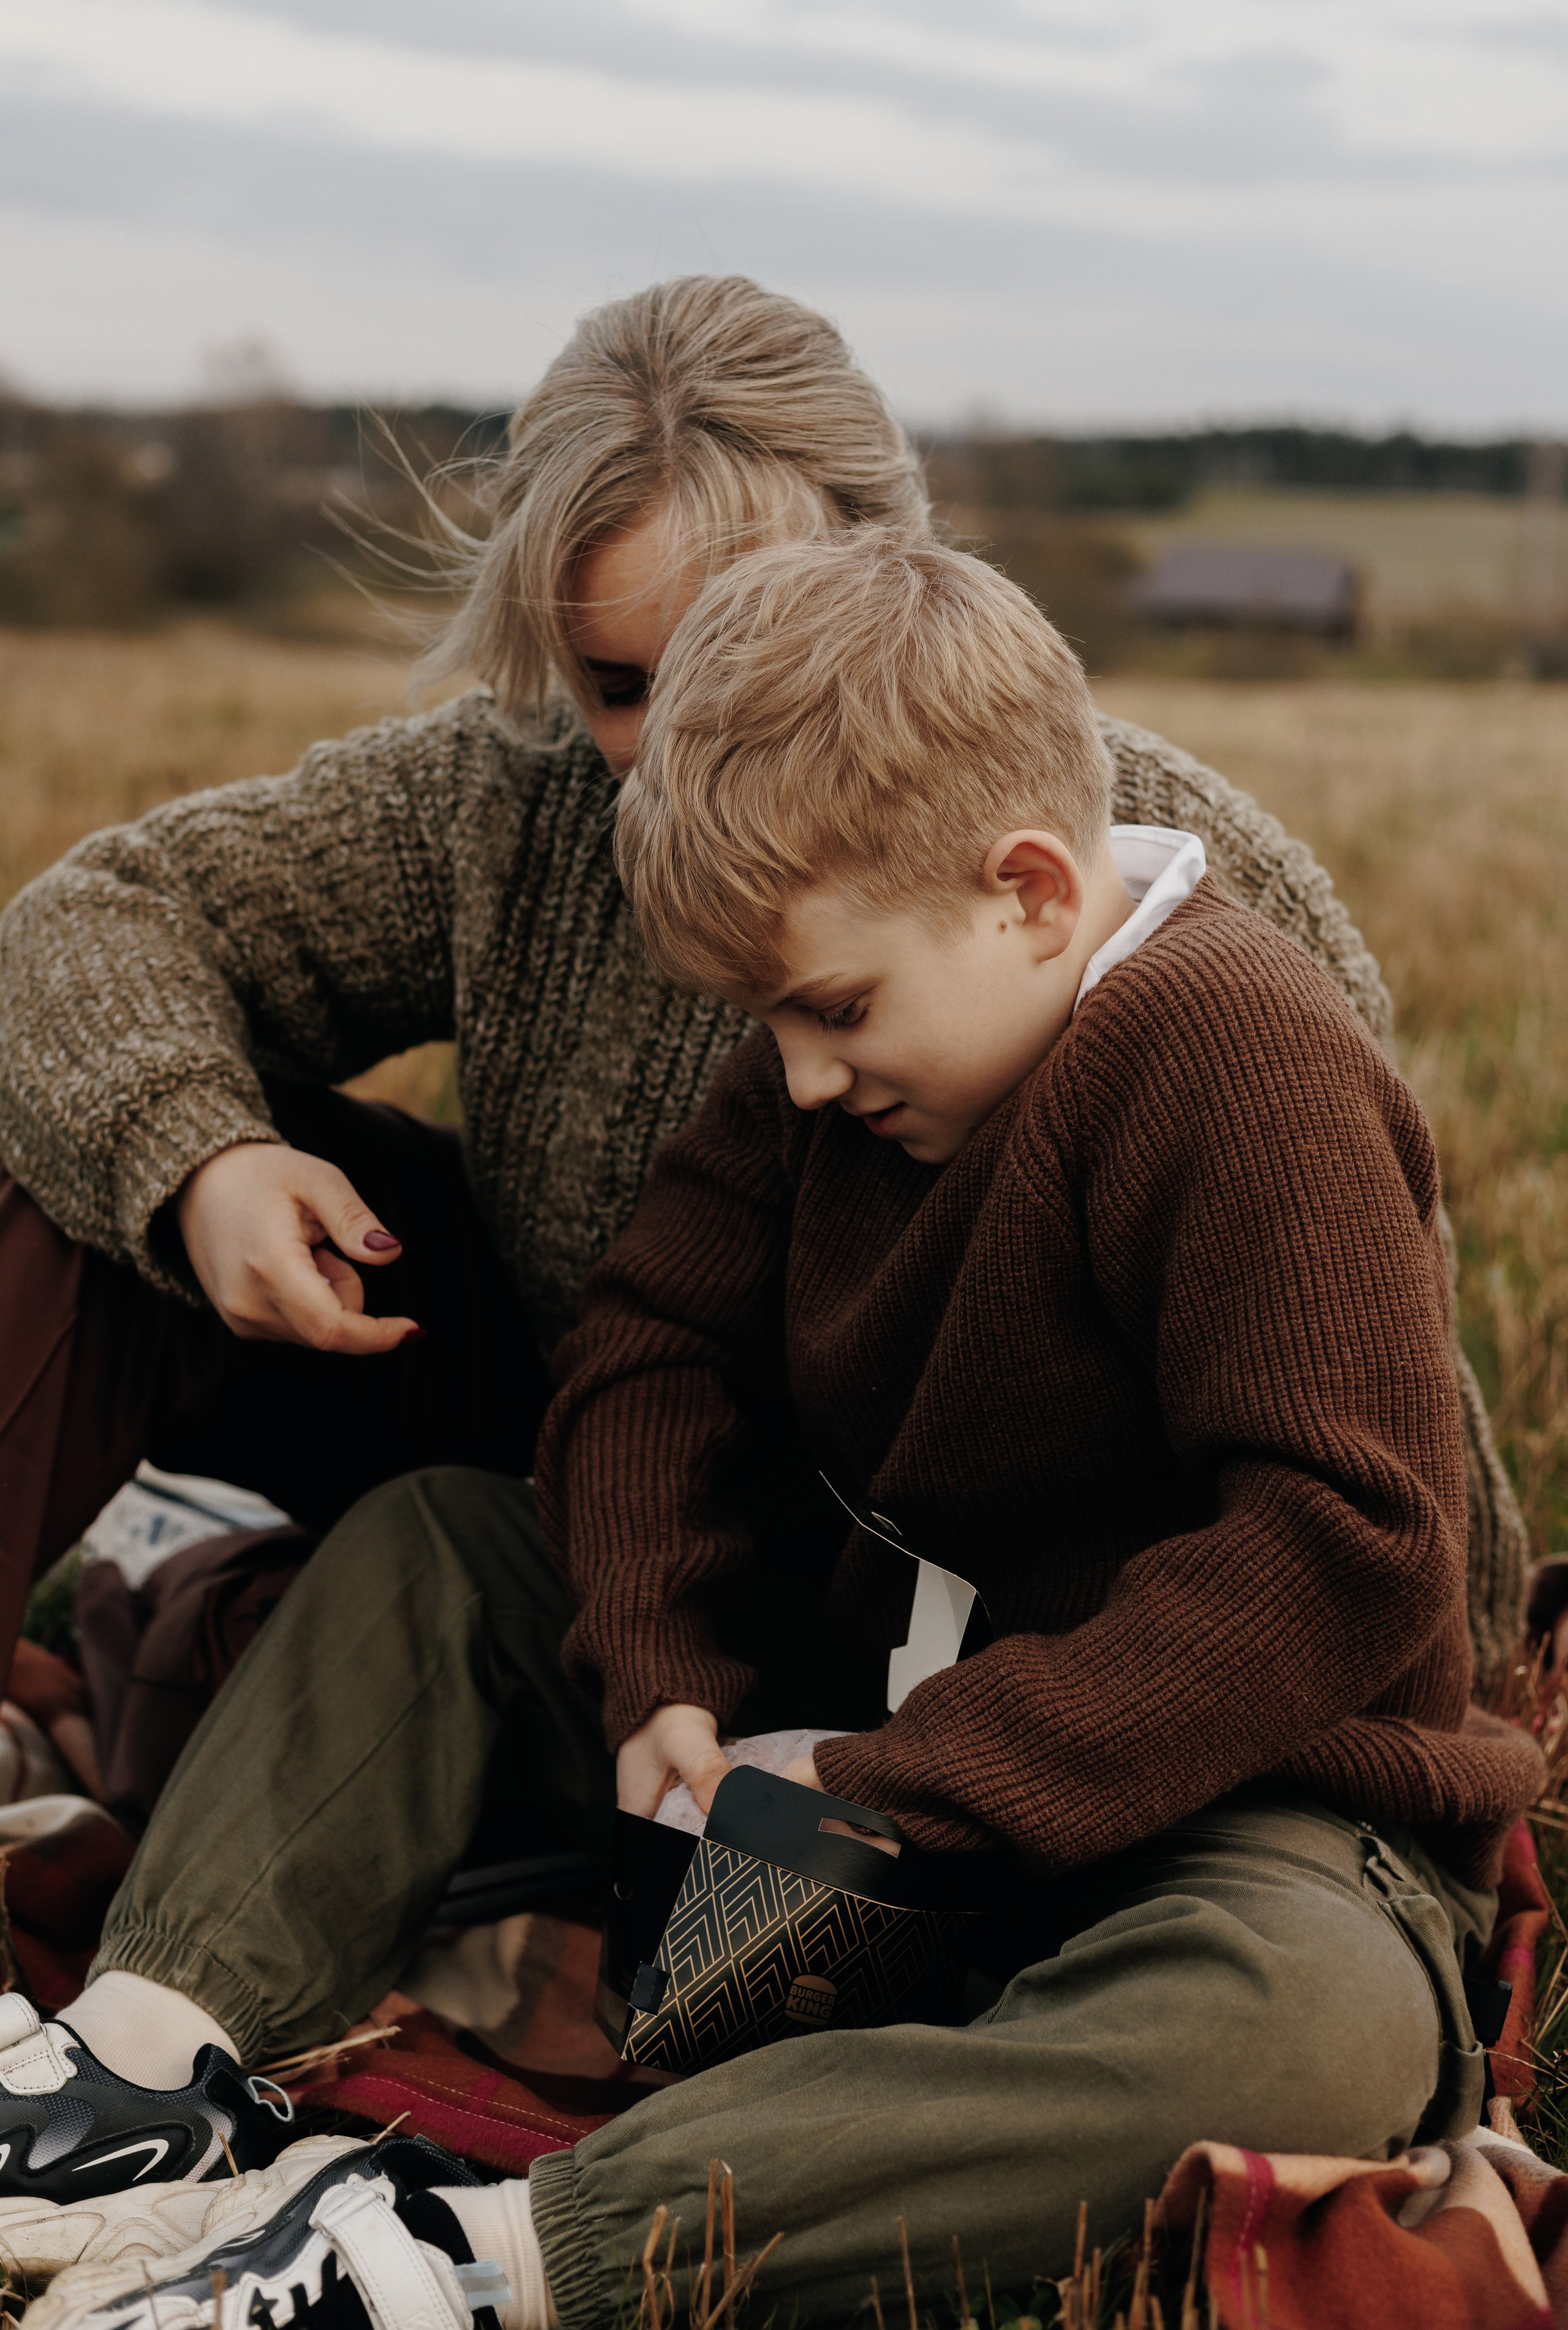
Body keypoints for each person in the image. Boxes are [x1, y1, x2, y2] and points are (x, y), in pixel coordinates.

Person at [0, 532, 1544, 2330]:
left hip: (1226, 1797)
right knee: (441, 1535)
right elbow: (651, 1342)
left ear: (1032, 892)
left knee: (1311, 2034)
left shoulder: (1242, 1061)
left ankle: (473, 2256)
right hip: (869, 1746)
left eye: (833, 1012)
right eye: (775, 1024)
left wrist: (900, 1782)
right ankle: (141, 2063)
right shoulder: (834, 1066)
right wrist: (664, 1668)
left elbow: (1339, 1553)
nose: (803, 1076)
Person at [0, 278, 1523, 1706]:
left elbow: (1357, 1401)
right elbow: (97, 923)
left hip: (972, 1600)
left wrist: (1460, 1677)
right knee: (57, 1156)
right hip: (581, 1446)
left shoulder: (1163, 889)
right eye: (618, 683)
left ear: (892, 570)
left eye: (747, 634)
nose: (679, 744)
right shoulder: (503, 798)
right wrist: (196, 1162)